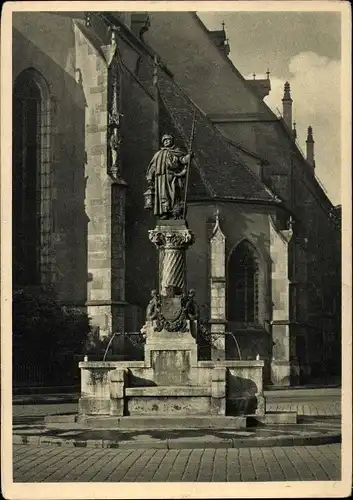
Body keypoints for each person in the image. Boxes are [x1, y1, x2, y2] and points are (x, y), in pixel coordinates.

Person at [146, 134, 191, 219]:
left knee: (173, 195)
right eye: (165, 140)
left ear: (172, 141)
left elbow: (182, 160)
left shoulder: (176, 152)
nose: (167, 142)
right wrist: (149, 177)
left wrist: (188, 157)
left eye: (168, 140)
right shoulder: (158, 154)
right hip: (161, 178)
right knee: (163, 195)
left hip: (172, 177)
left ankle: (174, 212)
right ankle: (165, 212)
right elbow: (153, 167)